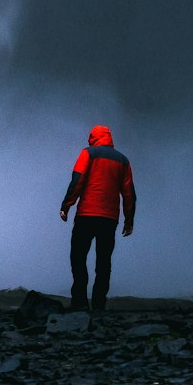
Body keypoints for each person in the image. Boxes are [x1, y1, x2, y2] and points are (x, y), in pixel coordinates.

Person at [59, 124, 136, 312]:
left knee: (78, 257)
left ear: (92, 137)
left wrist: (66, 206)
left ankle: (79, 301)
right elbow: (129, 193)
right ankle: (99, 303)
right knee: (103, 262)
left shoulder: (88, 153)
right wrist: (129, 220)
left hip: (86, 214)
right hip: (109, 218)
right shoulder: (123, 160)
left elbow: (77, 180)